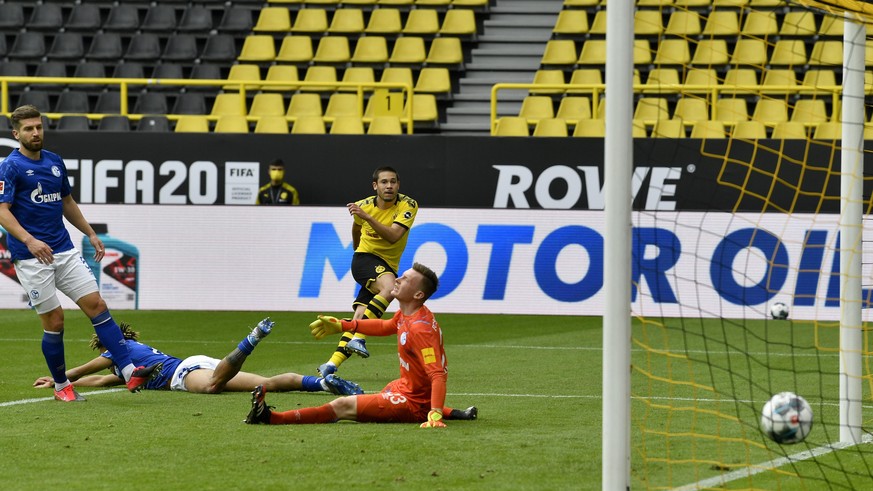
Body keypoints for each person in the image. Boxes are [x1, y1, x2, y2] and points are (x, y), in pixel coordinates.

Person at [0, 105, 159, 402]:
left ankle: (128, 371)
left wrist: (89, 232)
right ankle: (61, 386)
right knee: (55, 321)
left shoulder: (54, 162)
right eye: (28, 129)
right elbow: (2, 212)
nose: (35, 133)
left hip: (63, 250)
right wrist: (30, 240)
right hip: (33, 257)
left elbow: (67, 202)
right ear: (16, 133)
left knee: (96, 304)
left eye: (39, 127)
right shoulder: (9, 167)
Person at [245, 262, 477, 427]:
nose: (397, 279)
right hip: (406, 388)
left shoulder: (420, 327)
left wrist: (434, 415)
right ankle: (454, 413)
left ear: (417, 294)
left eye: (405, 279)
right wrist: (344, 325)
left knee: (342, 405)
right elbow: (386, 327)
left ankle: (272, 418)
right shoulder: (409, 313)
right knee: (387, 389)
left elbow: (437, 375)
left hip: (414, 402)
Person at [33, 318, 364, 396]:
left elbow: (90, 369)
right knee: (265, 385)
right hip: (195, 362)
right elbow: (102, 379)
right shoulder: (130, 359)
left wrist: (61, 378)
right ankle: (321, 383)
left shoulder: (118, 350)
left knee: (211, 388)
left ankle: (250, 340)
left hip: (183, 374)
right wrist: (64, 383)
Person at [317, 166, 418, 378]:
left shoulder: (408, 205)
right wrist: (358, 251)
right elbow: (356, 228)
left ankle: (330, 365)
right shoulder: (363, 206)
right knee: (391, 288)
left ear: (398, 185)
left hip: (387, 265)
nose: (389, 186)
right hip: (365, 259)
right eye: (384, 182)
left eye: (393, 182)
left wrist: (367, 218)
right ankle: (359, 338)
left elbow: (393, 236)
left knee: (361, 315)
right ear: (375, 186)